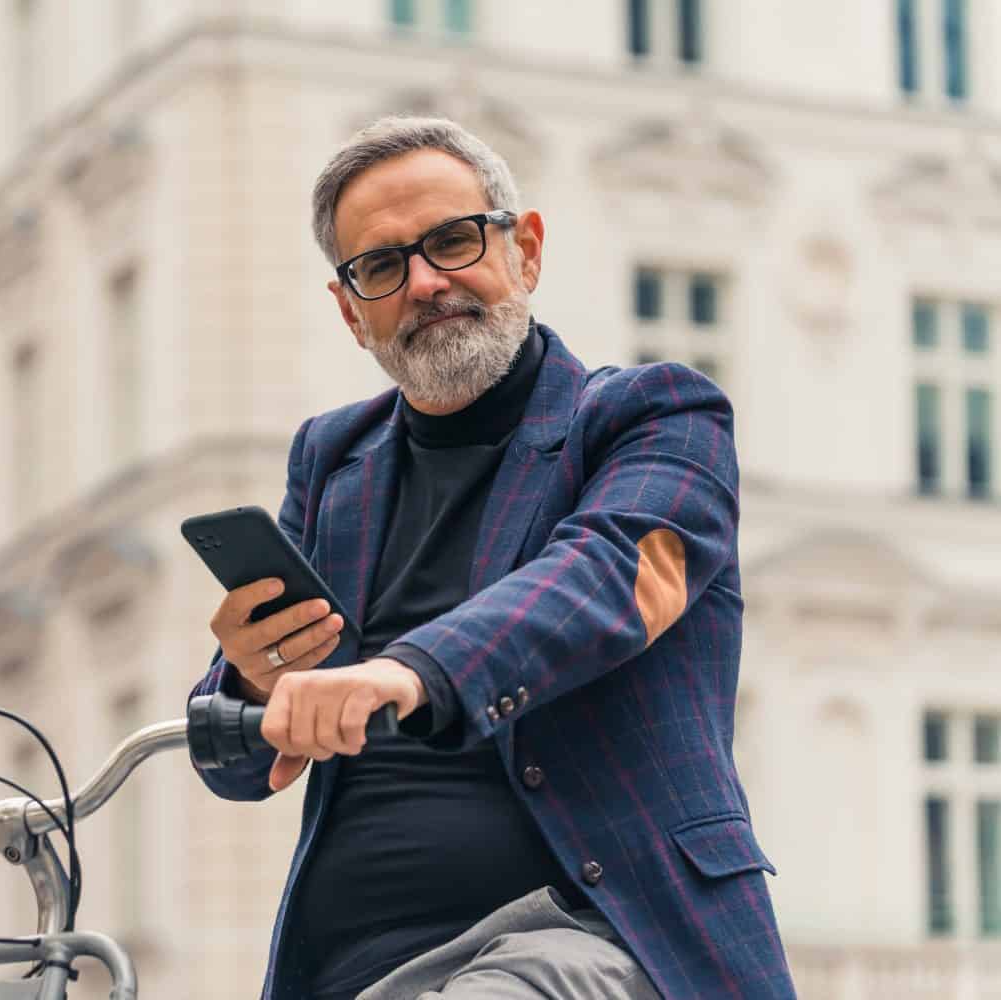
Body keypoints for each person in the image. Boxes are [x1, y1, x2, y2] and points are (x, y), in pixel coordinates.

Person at [187, 116, 794, 1000]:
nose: (426, 282)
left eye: (453, 241)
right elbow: (239, 767)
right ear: (351, 311)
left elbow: (609, 576)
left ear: (526, 250)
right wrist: (247, 683)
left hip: (594, 931)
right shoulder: (330, 460)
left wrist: (409, 672)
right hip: (353, 966)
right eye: (383, 266)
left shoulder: (657, 416)